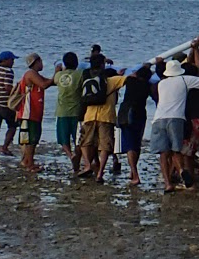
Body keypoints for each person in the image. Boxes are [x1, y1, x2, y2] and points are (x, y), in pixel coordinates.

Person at [154, 58, 199, 193]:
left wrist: (158, 63)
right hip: (176, 118)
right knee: (176, 150)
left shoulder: (161, 83)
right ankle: (182, 170)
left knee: (163, 153)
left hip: (158, 118)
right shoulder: (184, 80)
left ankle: (168, 183)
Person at [76, 52, 126, 182]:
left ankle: (87, 165)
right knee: (105, 146)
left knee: (84, 142)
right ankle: (100, 173)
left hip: (89, 115)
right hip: (106, 117)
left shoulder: (87, 78)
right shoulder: (112, 80)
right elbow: (130, 78)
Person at [117, 63, 154, 186]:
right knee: (137, 143)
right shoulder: (147, 86)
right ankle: (133, 172)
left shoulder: (131, 81)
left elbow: (131, 74)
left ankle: (134, 173)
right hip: (141, 113)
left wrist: (144, 66)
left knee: (129, 145)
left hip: (127, 112)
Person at [16, 54, 54, 174]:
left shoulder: (35, 74)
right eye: (40, 61)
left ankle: (27, 161)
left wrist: (59, 78)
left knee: (33, 138)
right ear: (36, 62)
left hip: (34, 112)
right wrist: (56, 73)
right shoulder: (31, 74)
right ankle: (29, 163)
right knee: (31, 139)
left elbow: (48, 82)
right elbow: (44, 85)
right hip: (29, 112)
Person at [51, 52, 85, 168]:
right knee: (78, 138)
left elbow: (54, 80)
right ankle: (77, 155)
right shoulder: (80, 74)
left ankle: (70, 155)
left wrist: (58, 70)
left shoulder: (59, 75)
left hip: (62, 111)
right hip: (77, 111)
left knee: (63, 138)